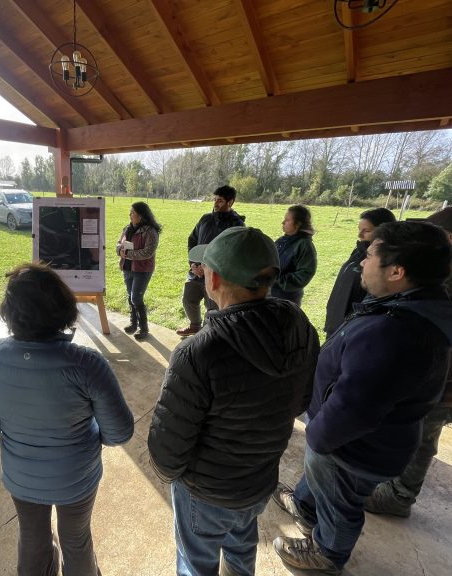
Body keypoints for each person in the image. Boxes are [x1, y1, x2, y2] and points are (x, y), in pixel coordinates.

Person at [271, 221, 452, 575]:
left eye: (370, 257)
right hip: (351, 440)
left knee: (340, 502)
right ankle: (306, 508)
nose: (361, 264)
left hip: (351, 447)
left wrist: (318, 436)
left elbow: (355, 408)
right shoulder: (406, 308)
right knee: (323, 482)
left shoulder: (394, 333)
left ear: (397, 271)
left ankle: (327, 553)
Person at [148, 226, 320, 576]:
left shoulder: (197, 353)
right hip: (258, 482)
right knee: (242, 544)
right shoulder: (298, 323)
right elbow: (302, 399)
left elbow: (168, 451)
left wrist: (172, 476)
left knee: (196, 563)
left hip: (207, 492)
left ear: (212, 281)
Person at [0, 263, 134, 576]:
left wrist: (20, 423)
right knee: (76, 538)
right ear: (64, 306)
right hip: (75, 478)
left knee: (31, 536)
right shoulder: (87, 364)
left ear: (9, 312)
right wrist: (86, 427)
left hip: (21, 476)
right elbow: (118, 433)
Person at [365, 207, 452, 518]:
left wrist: (426, 374)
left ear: (450, 239)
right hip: (438, 379)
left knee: (421, 436)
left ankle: (399, 496)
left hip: (441, 384)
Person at [176, 185, 245, 337]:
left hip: (217, 276)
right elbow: (192, 240)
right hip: (196, 272)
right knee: (188, 299)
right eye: (214, 199)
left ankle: (207, 336)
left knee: (212, 308)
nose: (215, 203)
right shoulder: (205, 219)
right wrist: (193, 263)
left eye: (219, 200)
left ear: (230, 202)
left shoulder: (237, 225)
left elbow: (234, 253)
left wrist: (210, 269)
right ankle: (194, 326)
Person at [323, 208, 395, 337]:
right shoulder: (358, 252)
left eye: (366, 231)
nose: (360, 235)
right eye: (359, 229)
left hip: (352, 329)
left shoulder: (385, 262)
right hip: (336, 324)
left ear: (384, 233)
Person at [116, 201, 162, 340]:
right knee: (131, 297)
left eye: (133, 213)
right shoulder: (127, 228)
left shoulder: (150, 231)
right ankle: (133, 323)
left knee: (136, 297)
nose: (130, 214)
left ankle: (144, 328)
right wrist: (120, 250)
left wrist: (128, 254)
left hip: (142, 270)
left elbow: (148, 252)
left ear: (141, 216)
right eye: (130, 212)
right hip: (127, 268)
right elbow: (119, 243)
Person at [271, 205, 317, 306]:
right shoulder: (282, 240)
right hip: (271, 294)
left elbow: (305, 273)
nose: (283, 222)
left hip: (286, 299)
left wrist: (279, 280)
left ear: (297, 224)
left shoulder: (304, 245)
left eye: (287, 220)